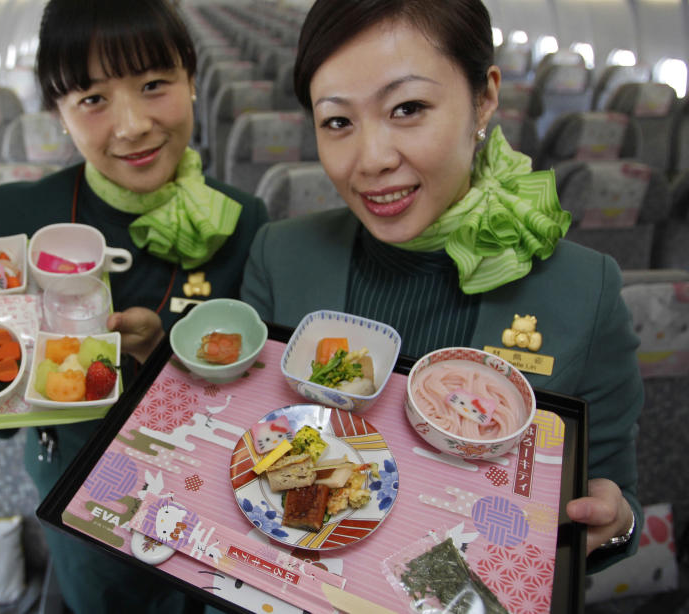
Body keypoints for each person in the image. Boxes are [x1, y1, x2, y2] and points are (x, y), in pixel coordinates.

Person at [0, 0, 268, 611]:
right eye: (92, 99)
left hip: (211, 495)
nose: (131, 126)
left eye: (154, 85)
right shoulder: (13, 217)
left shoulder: (246, 220)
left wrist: (160, 359)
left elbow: (254, 397)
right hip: (75, 491)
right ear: (60, 113)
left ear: (193, 81)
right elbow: (1, 402)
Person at [240, 0, 642, 573]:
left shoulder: (586, 288)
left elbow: (612, 493)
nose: (371, 160)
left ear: (484, 97)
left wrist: (614, 524)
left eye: (408, 108)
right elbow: (245, 445)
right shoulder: (280, 254)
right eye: (337, 122)